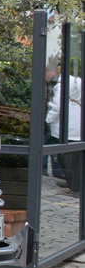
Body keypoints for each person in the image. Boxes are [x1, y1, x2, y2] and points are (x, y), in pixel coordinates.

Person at [47, 55, 83, 193]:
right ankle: (75, 183)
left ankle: (73, 184)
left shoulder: (61, 86)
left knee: (65, 158)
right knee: (76, 160)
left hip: (66, 126)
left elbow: (57, 106)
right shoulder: (78, 84)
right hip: (78, 126)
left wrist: (48, 119)